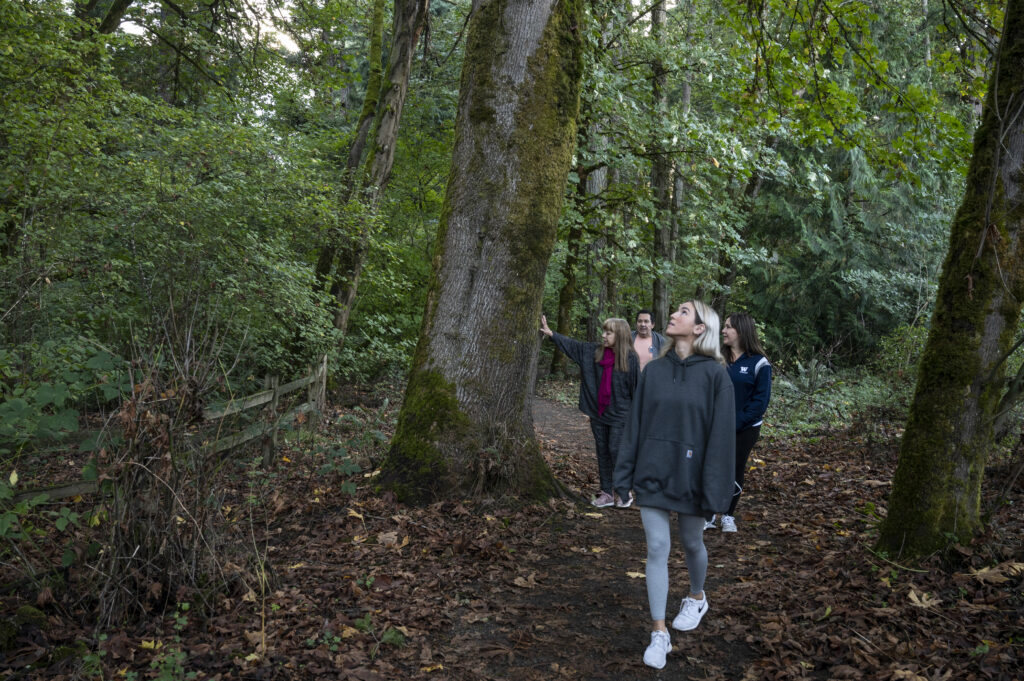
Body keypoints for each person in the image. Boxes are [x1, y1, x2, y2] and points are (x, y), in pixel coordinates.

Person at [613, 301, 735, 670]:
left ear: (700, 328)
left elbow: (722, 437)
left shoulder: (716, 375)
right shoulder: (654, 371)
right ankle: (659, 633)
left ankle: (697, 596)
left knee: (691, 542)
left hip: (692, 477)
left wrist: (717, 491)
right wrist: (623, 474)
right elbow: (635, 424)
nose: (675, 315)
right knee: (657, 546)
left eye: (685, 312)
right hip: (653, 472)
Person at [540, 315, 640, 508]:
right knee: (602, 451)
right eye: (603, 331)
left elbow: (637, 390)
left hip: (621, 415)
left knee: (616, 450)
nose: (603, 335)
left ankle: (623, 490)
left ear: (619, 335)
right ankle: (606, 492)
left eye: (608, 332)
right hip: (598, 413)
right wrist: (552, 334)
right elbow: (573, 346)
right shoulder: (594, 352)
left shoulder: (630, 359)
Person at [708, 311, 772, 533]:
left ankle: (727, 515)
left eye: (728, 327)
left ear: (741, 331)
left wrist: (734, 423)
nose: (723, 331)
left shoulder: (760, 362)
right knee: (712, 469)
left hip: (745, 429)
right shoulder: (716, 358)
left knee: (734, 469)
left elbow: (760, 402)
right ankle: (708, 516)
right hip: (714, 426)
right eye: (724, 326)